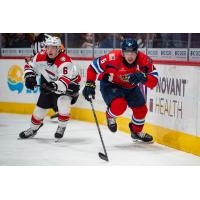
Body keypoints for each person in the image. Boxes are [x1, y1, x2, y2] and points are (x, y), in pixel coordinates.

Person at [82, 38, 158, 142]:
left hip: (130, 86)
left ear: (137, 52)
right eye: (127, 52)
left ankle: (136, 132)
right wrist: (90, 83)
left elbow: (154, 81)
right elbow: (92, 68)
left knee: (141, 110)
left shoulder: (144, 60)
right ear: (122, 52)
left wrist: (143, 76)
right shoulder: (112, 58)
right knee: (119, 106)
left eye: (133, 53)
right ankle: (110, 116)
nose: (130, 56)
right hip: (111, 84)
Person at [19, 36, 81, 139]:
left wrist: (51, 86)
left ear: (59, 49)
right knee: (39, 111)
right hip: (51, 83)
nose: (50, 50)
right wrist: (29, 76)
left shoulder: (65, 61)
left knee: (63, 101)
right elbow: (29, 66)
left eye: (53, 47)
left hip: (70, 85)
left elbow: (63, 83)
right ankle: (33, 128)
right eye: (48, 47)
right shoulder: (40, 56)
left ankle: (61, 127)